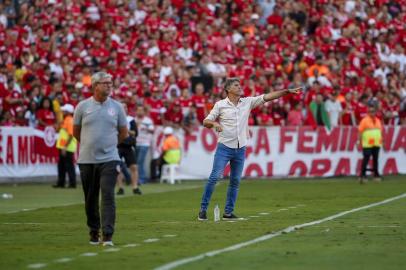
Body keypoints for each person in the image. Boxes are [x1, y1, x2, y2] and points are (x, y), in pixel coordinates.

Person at [198, 77, 301, 221]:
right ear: (228, 89)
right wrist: (215, 124)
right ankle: (202, 210)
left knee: (235, 181)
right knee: (214, 177)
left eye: (240, 85)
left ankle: (228, 213)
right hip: (224, 148)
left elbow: (267, 97)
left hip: (240, 148)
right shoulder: (220, 105)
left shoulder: (247, 102)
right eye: (236, 85)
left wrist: (286, 92)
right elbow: (206, 121)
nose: (240, 87)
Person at [73, 71, 128, 246]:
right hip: (87, 159)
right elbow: (76, 132)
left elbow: (124, 133)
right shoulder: (82, 107)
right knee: (90, 198)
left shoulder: (117, 107)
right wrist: (90, 144)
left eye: (110, 83)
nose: (109, 86)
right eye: (105, 83)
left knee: (108, 195)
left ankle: (108, 235)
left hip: (110, 158)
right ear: (95, 86)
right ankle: (94, 230)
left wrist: (109, 146)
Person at [116, 103, 142, 195]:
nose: (124, 109)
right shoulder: (115, 119)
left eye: (125, 107)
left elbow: (135, 133)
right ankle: (120, 187)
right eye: (122, 107)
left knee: (133, 166)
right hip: (118, 145)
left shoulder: (130, 119)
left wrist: (124, 130)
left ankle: (135, 187)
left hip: (128, 145)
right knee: (117, 167)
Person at [358, 104, 383, 184]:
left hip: (376, 143)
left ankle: (376, 174)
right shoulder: (364, 120)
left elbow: (380, 132)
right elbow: (360, 131)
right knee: (366, 158)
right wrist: (359, 141)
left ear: (375, 112)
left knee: (376, 159)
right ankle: (362, 175)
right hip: (367, 143)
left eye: (372, 111)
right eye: (369, 112)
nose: (371, 113)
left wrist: (382, 140)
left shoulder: (378, 120)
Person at [54, 103, 77, 188]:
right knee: (62, 165)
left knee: (68, 165)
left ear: (68, 112)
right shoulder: (66, 120)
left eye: (64, 110)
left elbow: (71, 135)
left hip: (67, 147)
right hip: (64, 146)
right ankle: (61, 182)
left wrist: (65, 147)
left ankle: (72, 183)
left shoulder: (70, 120)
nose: (62, 111)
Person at [135, 106, 154, 183]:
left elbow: (152, 130)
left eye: (141, 110)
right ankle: (137, 178)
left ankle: (142, 178)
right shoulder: (134, 119)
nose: (139, 112)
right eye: (138, 110)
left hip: (145, 143)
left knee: (140, 161)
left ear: (144, 112)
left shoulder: (148, 120)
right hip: (135, 143)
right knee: (135, 162)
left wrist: (145, 127)